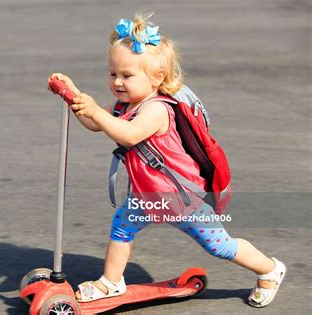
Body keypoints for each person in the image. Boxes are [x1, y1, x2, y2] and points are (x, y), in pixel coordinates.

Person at [47, 14, 285, 308]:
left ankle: (270, 270)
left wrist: (96, 111)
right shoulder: (126, 104)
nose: (117, 82)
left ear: (157, 78)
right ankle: (111, 282)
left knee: (221, 246)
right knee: (121, 228)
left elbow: (130, 134)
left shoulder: (157, 110)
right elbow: (95, 123)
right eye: (113, 74)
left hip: (181, 199)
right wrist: (76, 97)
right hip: (146, 196)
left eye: (126, 75)